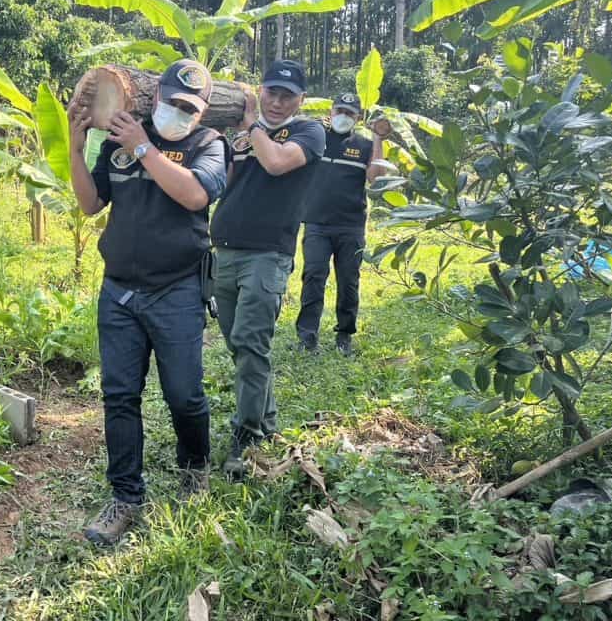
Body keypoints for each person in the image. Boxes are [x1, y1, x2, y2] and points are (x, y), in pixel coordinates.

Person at [68, 59, 229, 547]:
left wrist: (143, 147)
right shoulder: (121, 142)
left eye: (189, 108)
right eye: (173, 101)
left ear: (202, 113)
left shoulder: (210, 146)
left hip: (176, 289)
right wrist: (76, 148)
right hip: (118, 290)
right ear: (152, 94)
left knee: (184, 394)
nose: (178, 113)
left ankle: (194, 466)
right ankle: (125, 497)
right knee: (119, 396)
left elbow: (195, 195)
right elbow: (91, 203)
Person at [209, 59, 327, 479]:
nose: (277, 102)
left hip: (267, 255)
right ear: (260, 90)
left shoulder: (309, 131)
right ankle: (267, 419)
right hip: (224, 250)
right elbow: (223, 181)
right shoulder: (242, 134)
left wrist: (252, 126)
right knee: (241, 346)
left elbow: (277, 163)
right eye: (271, 92)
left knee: (249, 339)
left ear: (301, 100)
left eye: (286, 95)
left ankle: (247, 435)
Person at [295, 93, 391, 356]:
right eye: (340, 110)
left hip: (351, 226)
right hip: (316, 223)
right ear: (331, 109)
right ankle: (307, 336)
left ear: (358, 118)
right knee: (313, 277)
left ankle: (345, 335)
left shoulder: (363, 145)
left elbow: (376, 178)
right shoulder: (317, 138)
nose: (344, 116)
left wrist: (379, 139)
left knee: (348, 281)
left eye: (350, 113)